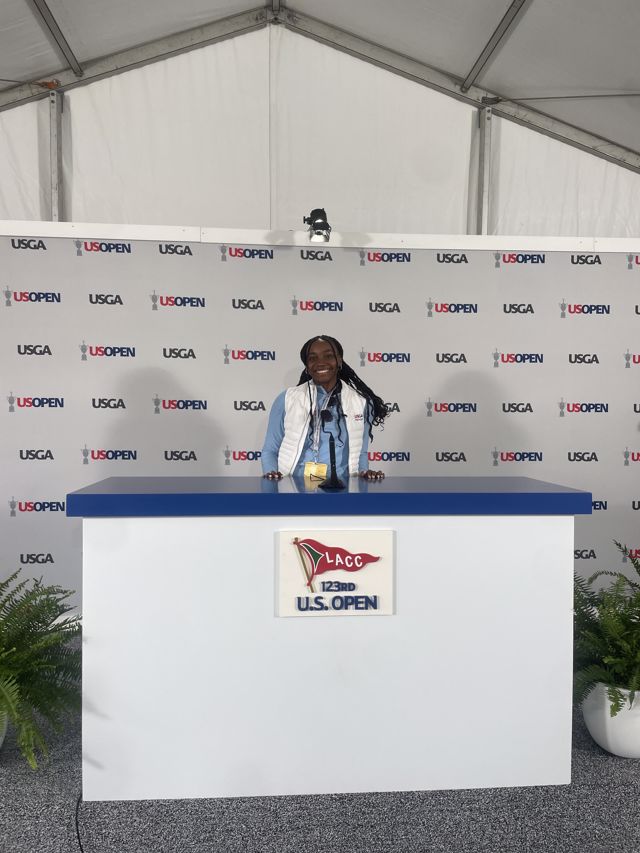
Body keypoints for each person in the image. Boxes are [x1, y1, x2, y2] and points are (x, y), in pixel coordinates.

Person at [261, 335, 389, 481]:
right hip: (294, 486)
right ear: (307, 366)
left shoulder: (361, 402)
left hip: (342, 487)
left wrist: (365, 474)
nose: (320, 363)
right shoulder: (287, 399)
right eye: (312, 358)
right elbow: (270, 450)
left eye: (328, 356)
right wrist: (272, 478)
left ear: (339, 360)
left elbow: (361, 453)